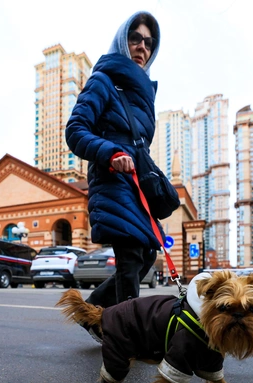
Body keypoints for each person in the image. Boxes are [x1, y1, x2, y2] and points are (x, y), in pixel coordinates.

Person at [65, 12, 167, 340]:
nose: (142, 47)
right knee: (130, 255)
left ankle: (91, 313)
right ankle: (129, 336)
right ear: (123, 41)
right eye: (135, 39)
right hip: (112, 179)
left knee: (146, 254)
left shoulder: (143, 95)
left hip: (136, 182)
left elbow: (138, 142)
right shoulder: (103, 81)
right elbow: (75, 131)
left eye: (149, 43)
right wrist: (111, 153)